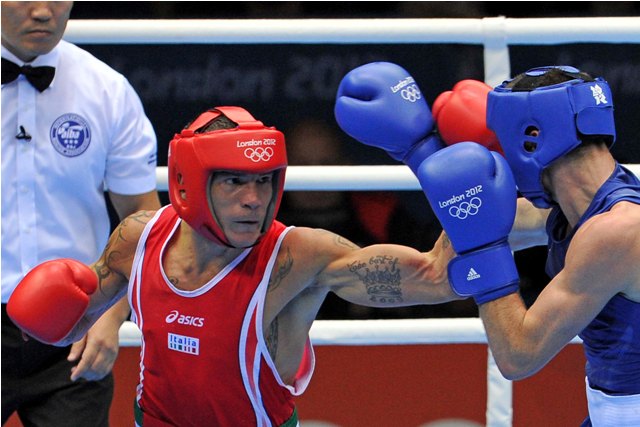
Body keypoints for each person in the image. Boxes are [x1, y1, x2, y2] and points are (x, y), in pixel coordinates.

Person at [7, 105, 462, 426]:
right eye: (234, 182)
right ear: (187, 183)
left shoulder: (297, 255)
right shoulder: (137, 239)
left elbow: (435, 276)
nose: (254, 200)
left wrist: (469, 189)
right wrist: (45, 315)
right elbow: (67, 328)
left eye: (264, 181)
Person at [417, 66, 640, 426]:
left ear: (532, 137)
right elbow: (461, 238)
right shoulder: (581, 209)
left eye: (502, 139)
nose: (499, 152)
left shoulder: (618, 230)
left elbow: (518, 355)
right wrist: (422, 154)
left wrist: (483, 250)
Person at [1, 2, 161, 426]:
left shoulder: (106, 89)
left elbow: (145, 219)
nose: (42, 11)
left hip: (77, 327)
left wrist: (112, 315)